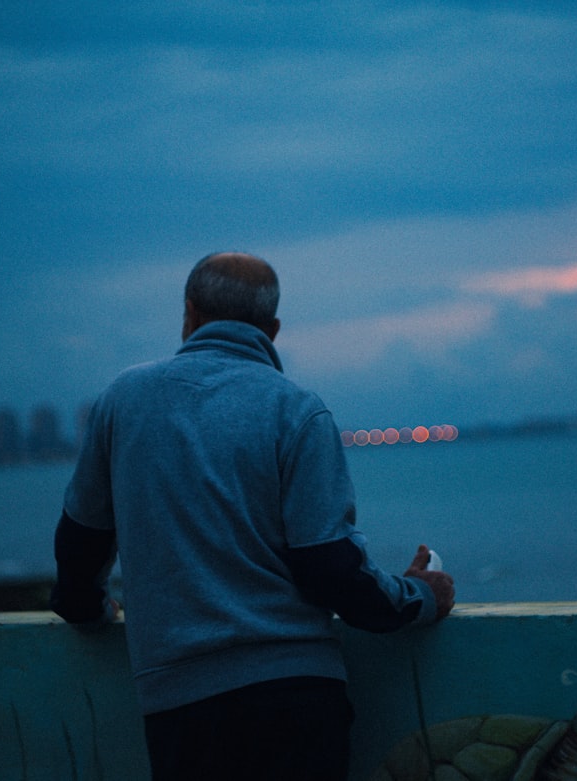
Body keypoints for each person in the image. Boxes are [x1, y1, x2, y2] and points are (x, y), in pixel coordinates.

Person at [51, 251, 455, 780]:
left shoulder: (122, 399)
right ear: (273, 329)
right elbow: (330, 569)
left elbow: (81, 546)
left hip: (181, 705)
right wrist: (423, 595)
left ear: (189, 314)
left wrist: (90, 612)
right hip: (299, 702)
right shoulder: (298, 410)